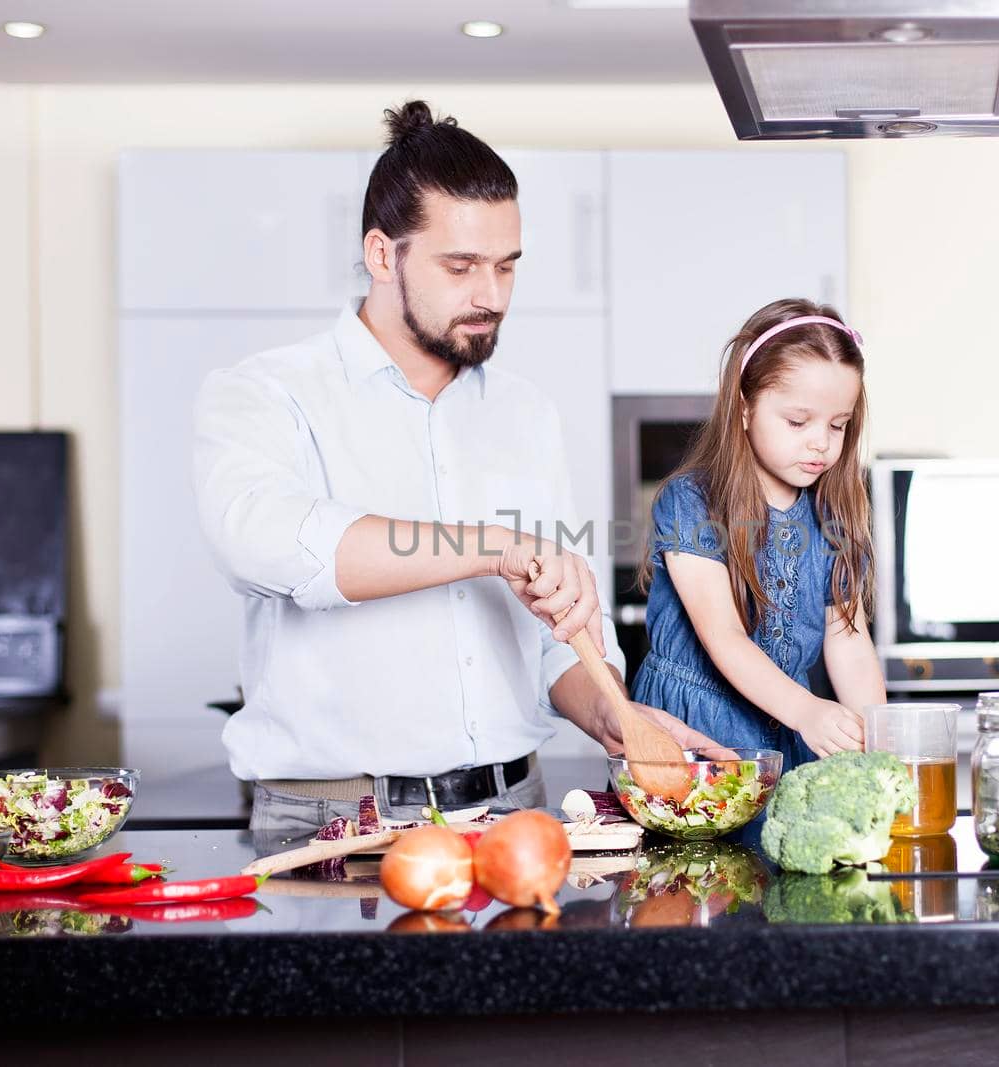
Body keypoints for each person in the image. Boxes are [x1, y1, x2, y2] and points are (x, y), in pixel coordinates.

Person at [193, 100, 720, 838]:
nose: (492, 296)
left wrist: (613, 713)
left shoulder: (527, 414)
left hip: (514, 812)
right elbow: (266, 544)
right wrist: (495, 547)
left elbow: (552, 644)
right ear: (383, 254)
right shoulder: (268, 392)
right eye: (461, 265)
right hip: (335, 820)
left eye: (507, 267)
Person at [634, 298, 888, 771]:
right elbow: (725, 637)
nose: (821, 441)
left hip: (781, 732)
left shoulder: (833, 513)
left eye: (838, 425)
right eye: (798, 422)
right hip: (690, 736)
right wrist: (805, 710)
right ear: (745, 408)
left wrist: (878, 737)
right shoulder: (691, 502)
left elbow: (848, 640)